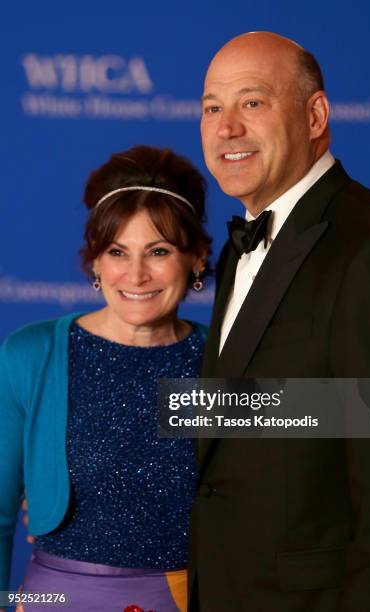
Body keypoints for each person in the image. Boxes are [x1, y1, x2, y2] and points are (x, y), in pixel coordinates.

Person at [189, 32, 370, 611]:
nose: (226, 128)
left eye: (252, 102)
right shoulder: (241, 245)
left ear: (315, 116)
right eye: (212, 108)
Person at [0, 145, 210, 612]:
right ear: (95, 261)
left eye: (159, 251)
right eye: (117, 251)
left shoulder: (223, 359)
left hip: (193, 598)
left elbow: (355, 423)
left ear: (196, 258)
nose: (135, 275)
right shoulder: (33, 355)